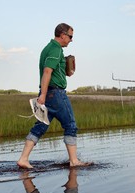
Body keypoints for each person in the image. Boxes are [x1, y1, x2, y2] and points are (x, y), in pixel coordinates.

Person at [17, 23, 91, 169]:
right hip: (55, 94)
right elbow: (47, 72)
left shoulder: (49, 49)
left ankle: (23, 159)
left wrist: (68, 69)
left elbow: (57, 72)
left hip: (48, 93)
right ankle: (74, 161)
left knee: (40, 126)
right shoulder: (55, 50)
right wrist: (43, 95)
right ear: (62, 35)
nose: (71, 40)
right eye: (70, 36)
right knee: (70, 125)